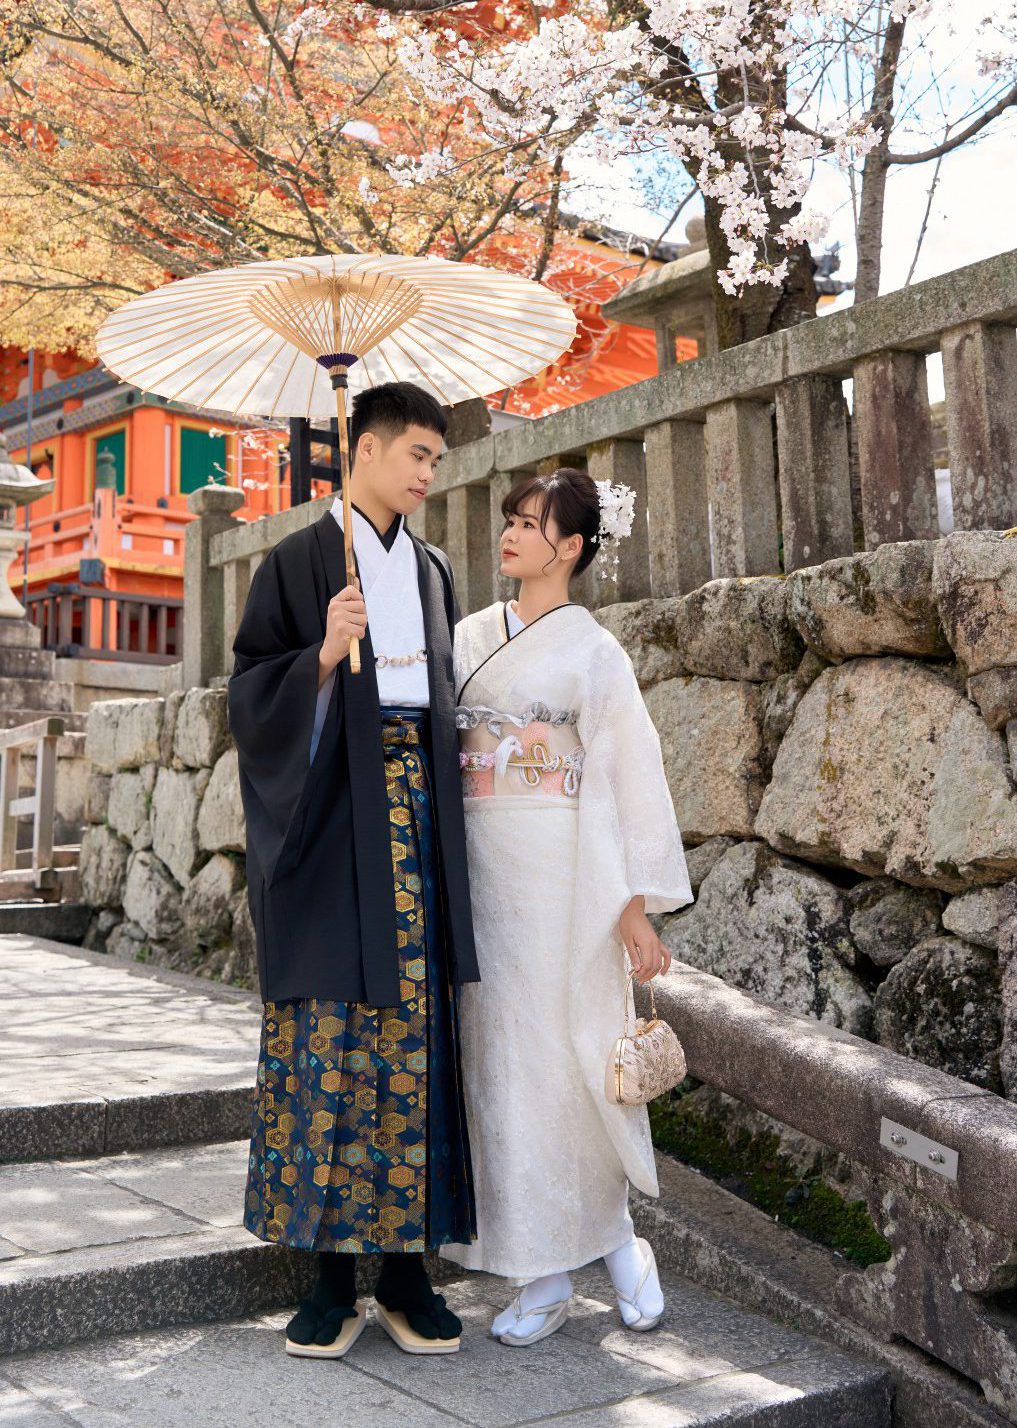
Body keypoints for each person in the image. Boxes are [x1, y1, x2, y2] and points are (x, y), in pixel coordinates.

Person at [229, 381, 478, 1359]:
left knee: (414, 1034)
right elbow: (249, 698)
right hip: (331, 822)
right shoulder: (297, 562)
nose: (426, 474)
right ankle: (330, 1277)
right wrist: (323, 658)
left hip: (417, 822)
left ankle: (408, 1269)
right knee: (329, 1034)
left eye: (435, 461)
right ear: (363, 448)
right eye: (416, 453)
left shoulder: (433, 569)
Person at [442, 466, 693, 1345]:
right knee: (500, 1069)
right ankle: (542, 1273)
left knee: (571, 1062)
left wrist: (631, 908)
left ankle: (616, 1241)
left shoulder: (594, 654)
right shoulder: (467, 637)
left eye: (530, 523)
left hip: (563, 874)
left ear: (572, 546)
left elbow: (627, 782)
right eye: (509, 519)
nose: (509, 534)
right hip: (480, 870)